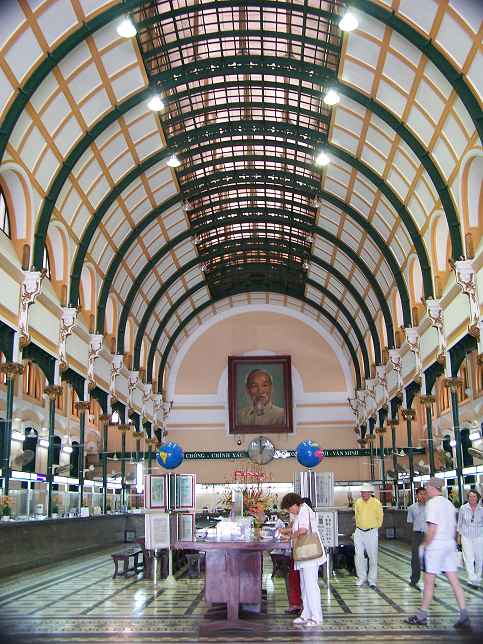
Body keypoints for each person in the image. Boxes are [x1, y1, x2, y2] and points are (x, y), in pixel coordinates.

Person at [406, 477, 470, 629]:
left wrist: (424, 545)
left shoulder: (432, 504)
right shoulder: (448, 503)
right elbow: (454, 528)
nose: (426, 488)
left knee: (428, 581)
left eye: (427, 486)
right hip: (449, 544)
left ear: (431, 487)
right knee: (454, 580)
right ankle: (464, 614)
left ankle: (421, 615)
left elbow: (432, 528)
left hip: (436, 546)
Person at [281, 493, 324, 627]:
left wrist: (290, 537)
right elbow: (296, 528)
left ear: (295, 504)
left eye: (289, 508)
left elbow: (303, 530)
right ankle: (306, 614)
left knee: (311, 586)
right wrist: (286, 531)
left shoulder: (304, 509)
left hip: (310, 553)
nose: (290, 511)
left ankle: (316, 617)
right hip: (303, 554)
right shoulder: (300, 512)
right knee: (304, 586)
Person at [353, 482, 383, 588]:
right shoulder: (358, 502)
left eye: (366, 492)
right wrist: (358, 527)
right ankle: (361, 577)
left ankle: (372, 580)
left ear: (370, 493)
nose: (364, 494)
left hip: (372, 532)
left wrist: (374, 527)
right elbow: (356, 515)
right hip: (359, 531)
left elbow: (380, 518)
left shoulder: (376, 503)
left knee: (373, 556)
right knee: (358, 555)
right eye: (362, 492)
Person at [457, 489, 483, 588]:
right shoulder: (463, 508)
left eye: (474, 496)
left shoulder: (481, 510)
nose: (472, 498)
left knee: (479, 559)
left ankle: (477, 577)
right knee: (468, 558)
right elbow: (459, 524)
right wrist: (458, 537)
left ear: (478, 498)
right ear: (467, 498)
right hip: (466, 536)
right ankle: (472, 578)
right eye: (470, 496)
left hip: (479, 536)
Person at [407, 487, 428, 588]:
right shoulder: (411, 508)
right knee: (415, 558)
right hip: (417, 535)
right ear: (417, 495)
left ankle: (430, 579)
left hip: (429, 534)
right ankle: (414, 579)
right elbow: (409, 523)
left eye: (425, 494)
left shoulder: (431, 507)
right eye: (421, 494)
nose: (423, 496)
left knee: (429, 557)